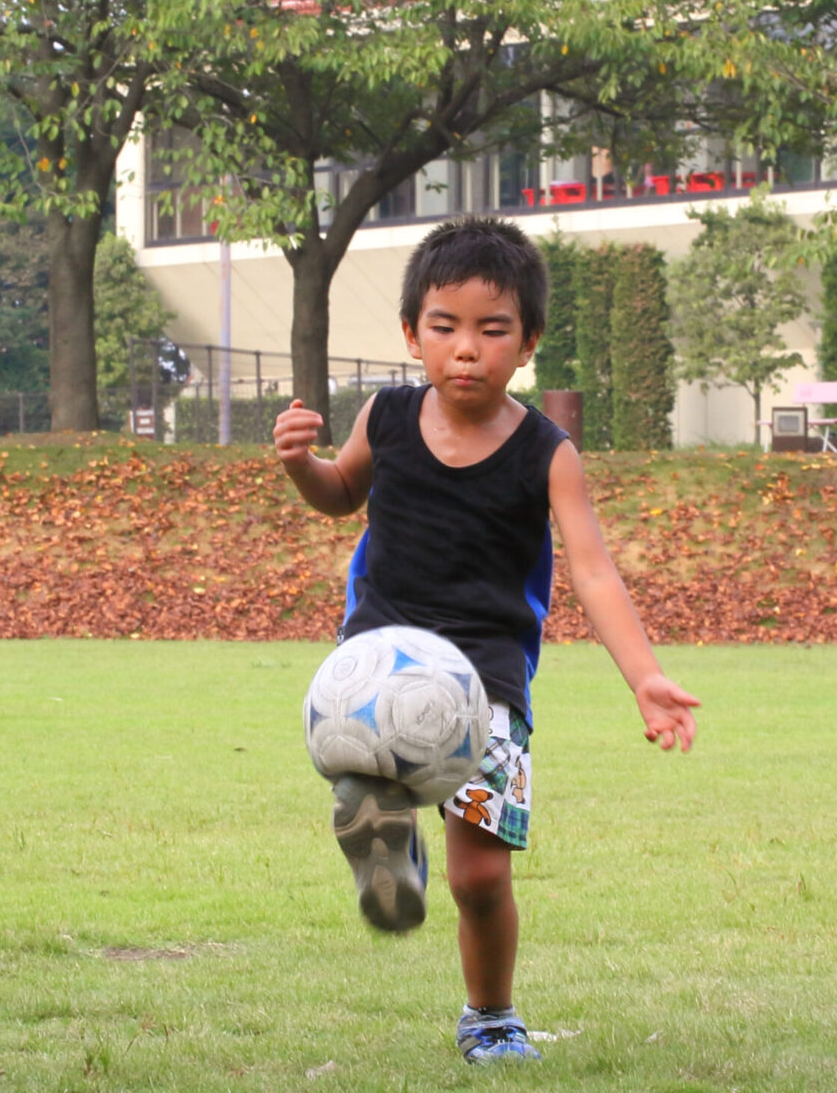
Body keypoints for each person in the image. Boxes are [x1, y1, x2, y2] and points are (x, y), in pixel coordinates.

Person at [273, 215, 700, 1065]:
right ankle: (381, 828)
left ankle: (491, 1015)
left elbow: (595, 572)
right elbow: (338, 495)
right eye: (445, 327)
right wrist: (300, 466)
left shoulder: (547, 452)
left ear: (528, 341)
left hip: (487, 686)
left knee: (480, 878)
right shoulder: (388, 417)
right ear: (411, 334)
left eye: (491, 329)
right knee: (362, 759)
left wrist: (645, 678)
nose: (466, 349)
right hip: (376, 663)